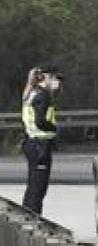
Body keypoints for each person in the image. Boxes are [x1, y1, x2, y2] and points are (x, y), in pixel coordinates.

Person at [20, 65, 61, 215]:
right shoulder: (42, 95)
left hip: (33, 143)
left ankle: (27, 218)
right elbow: (40, 122)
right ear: (46, 77)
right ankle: (34, 220)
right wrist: (55, 129)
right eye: (56, 78)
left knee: (33, 187)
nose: (59, 83)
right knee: (38, 189)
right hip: (39, 146)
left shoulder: (32, 92)